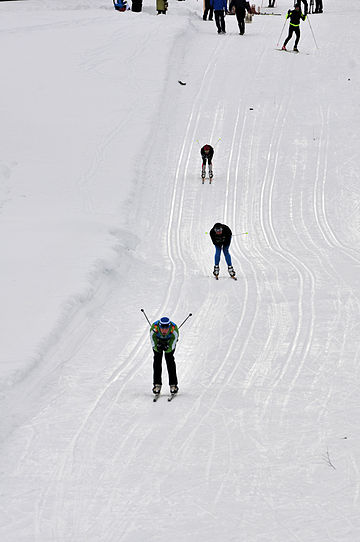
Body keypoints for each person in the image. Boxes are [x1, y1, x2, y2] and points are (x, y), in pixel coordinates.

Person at [150, 316, 179, 395]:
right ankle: (157, 385)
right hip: (158, 342)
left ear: (169, 327)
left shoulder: (174, 330)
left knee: (170, 361)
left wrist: (167, 348)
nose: (164, 330)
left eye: (166, 328)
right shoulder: (154, 328)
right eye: (162, 328)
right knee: (157, 361)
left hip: (169, 343)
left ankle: (173, 385)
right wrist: (157, 347)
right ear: (159, 326)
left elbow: (173, 343)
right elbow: (153, 341)